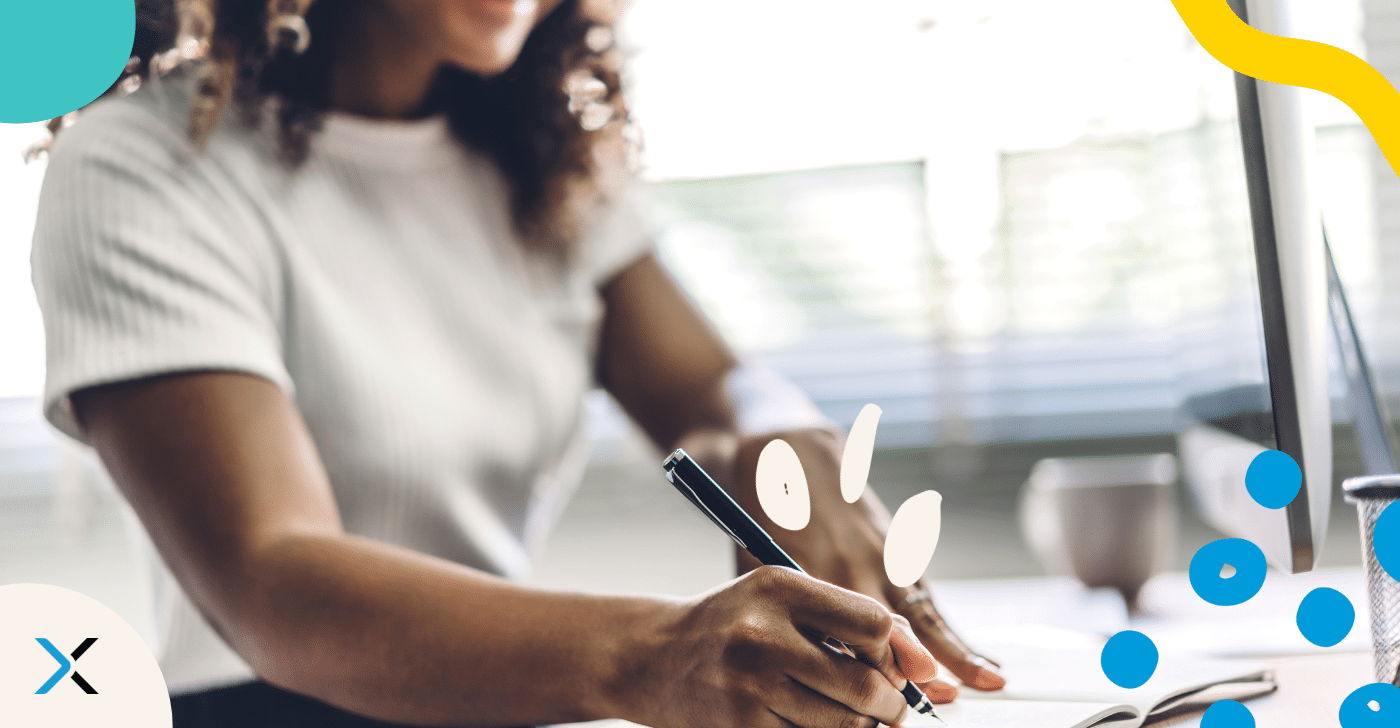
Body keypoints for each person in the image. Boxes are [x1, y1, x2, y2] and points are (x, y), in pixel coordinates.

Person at [30, 0, 1005, 725]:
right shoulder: (141, 165)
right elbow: (271, 574)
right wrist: (656, 651)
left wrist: (774, 438)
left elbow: (708, 387)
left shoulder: (539, 161)